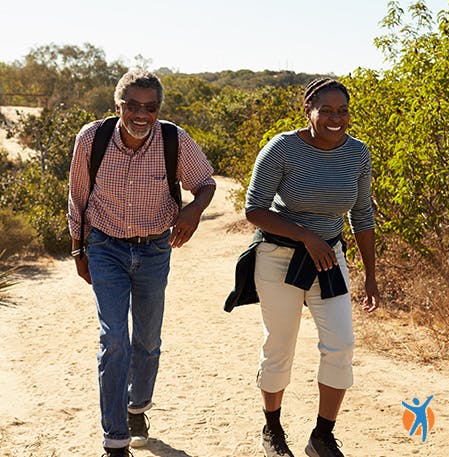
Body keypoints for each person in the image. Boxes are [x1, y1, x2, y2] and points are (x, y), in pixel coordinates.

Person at [67, 70, 216, 457]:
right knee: (113, 338)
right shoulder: (92, 139)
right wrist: (77, 250)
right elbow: (78, 198)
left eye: (149, 107)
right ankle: (115, 440)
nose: (141, 114)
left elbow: (206, 183)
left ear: (157, 109)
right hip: (105, 247)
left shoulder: (174, 140)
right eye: (132, 105)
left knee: (147, 342)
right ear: (118, 106)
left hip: (153, 250)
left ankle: (137, 408)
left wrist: (193, 212)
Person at [244, 78, 380, 457]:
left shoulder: (357, 153)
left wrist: (370, 275)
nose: (336, 118)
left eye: (343, 111)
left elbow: (362, 214)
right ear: (308, 111)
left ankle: (321, 436)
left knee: (341, 344)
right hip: (279, 257)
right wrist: (306, 235)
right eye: (327, 110)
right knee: (279, 346)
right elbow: (254, 209)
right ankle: (272, 431)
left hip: (329, 259)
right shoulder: (282, 148)